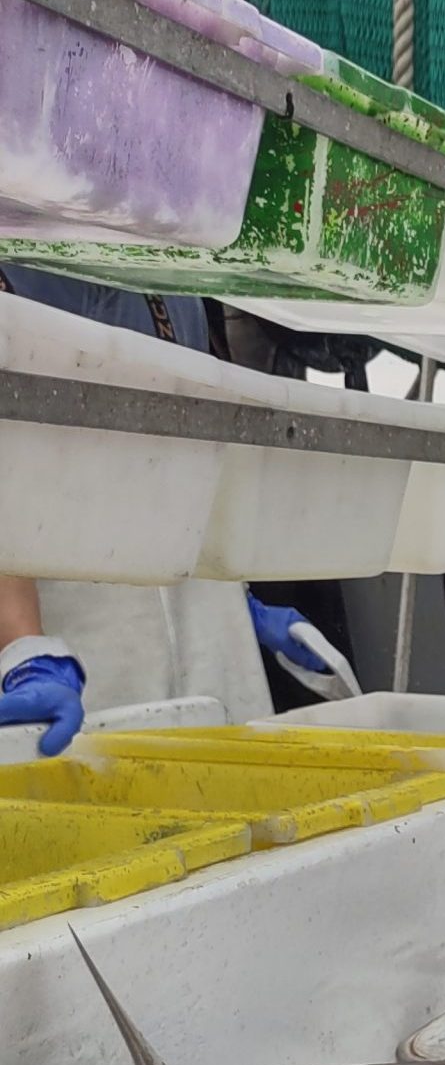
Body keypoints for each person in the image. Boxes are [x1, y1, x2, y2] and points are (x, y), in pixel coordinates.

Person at [0, 266, 356, 756]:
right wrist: (22, 649)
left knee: (228, 783)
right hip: (68, 658)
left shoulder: (177, 282)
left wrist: (233, 599)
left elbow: (185, 470)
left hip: (207, 649)